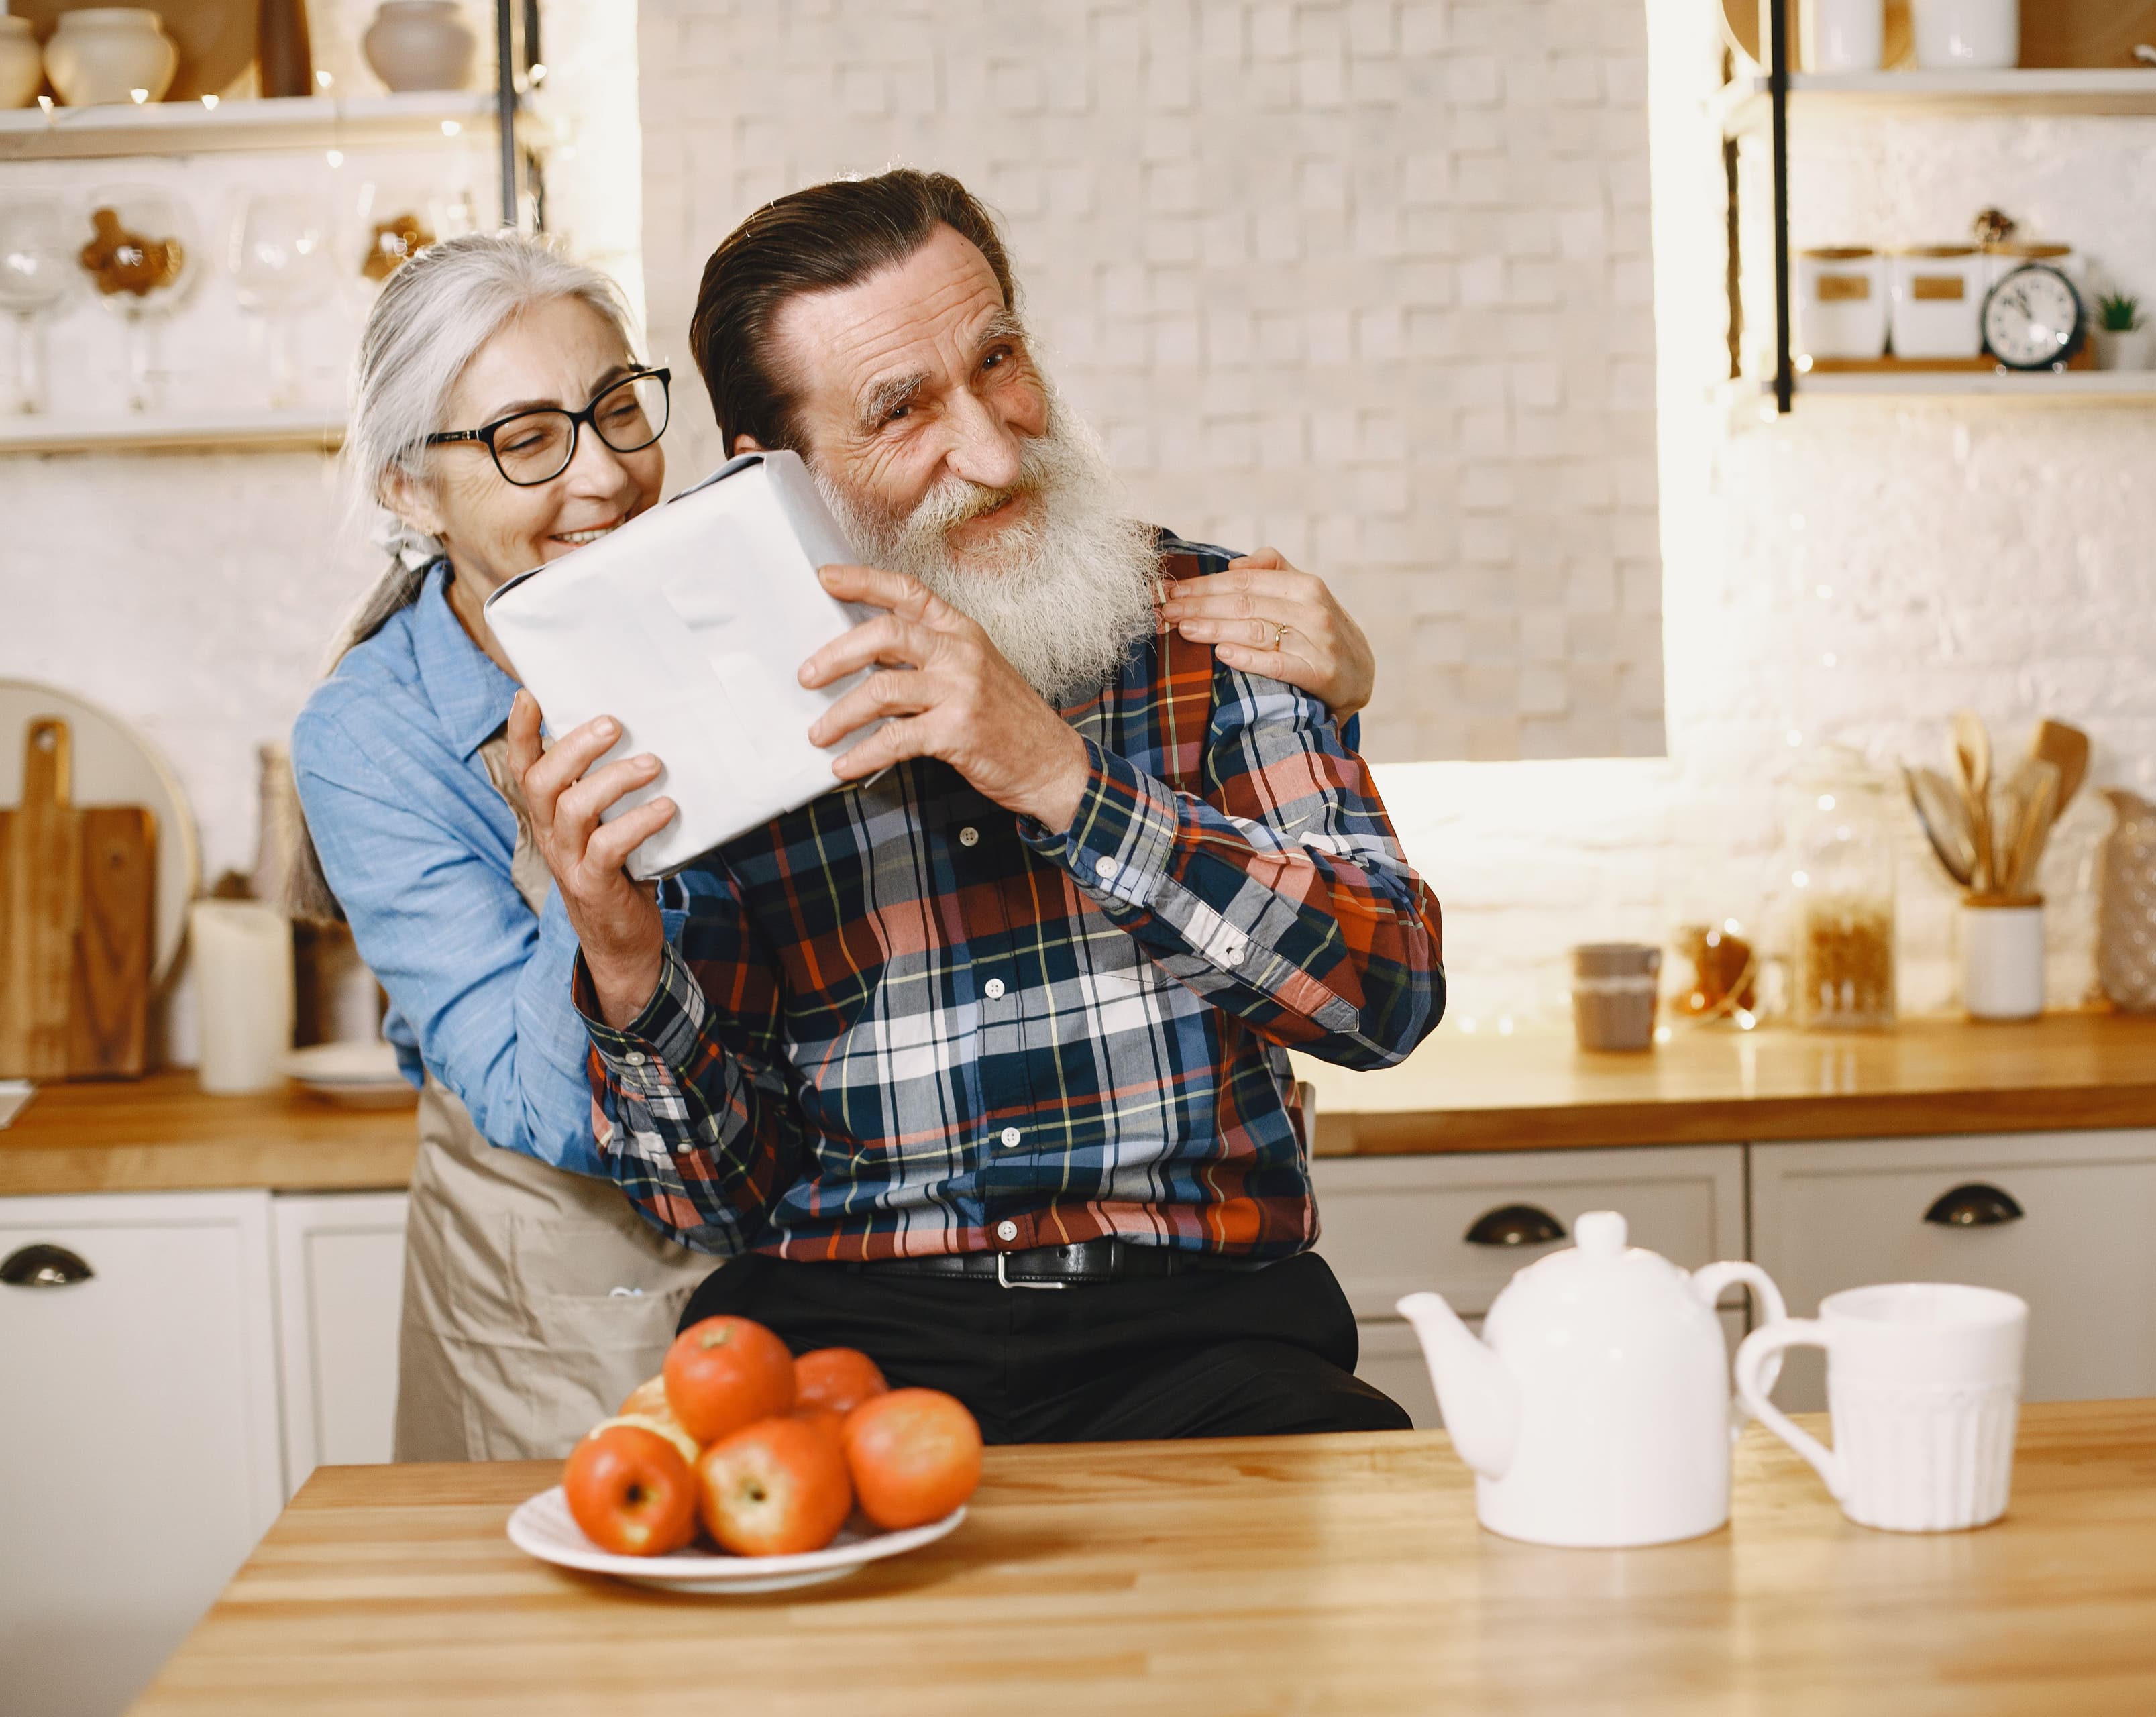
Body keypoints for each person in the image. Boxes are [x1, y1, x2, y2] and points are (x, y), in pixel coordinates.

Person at [292, 230, 1383, 1460]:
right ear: (409, 487)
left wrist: (1090, 761)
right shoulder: (378, 736)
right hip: (574, 1265)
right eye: (527, 440)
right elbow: (593, 1116)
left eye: (615, 411)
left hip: (1054, 1317)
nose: (601, 477)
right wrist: (606, 928)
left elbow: (1383, 993)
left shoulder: (800, 638)